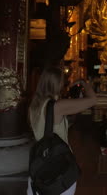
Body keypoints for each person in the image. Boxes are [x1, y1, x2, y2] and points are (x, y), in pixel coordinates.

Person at [27, 65, 97, 195]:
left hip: (40, 166)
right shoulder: (57, 106)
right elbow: (93, 100)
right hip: (58, 167)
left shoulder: (34, 105)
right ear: (57, 84)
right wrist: (83, 82)